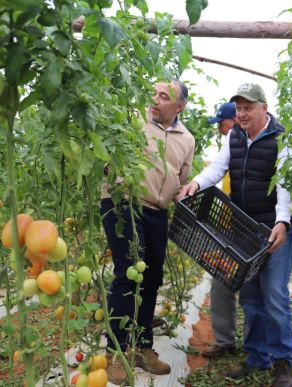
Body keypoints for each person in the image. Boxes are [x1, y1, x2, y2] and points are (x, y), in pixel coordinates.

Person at [180, 83, 292, 387]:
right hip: (244, 230)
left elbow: (285, 186)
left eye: (248, 108)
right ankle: (257, 357)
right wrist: (196, 183)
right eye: (239, 108)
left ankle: (283, 363)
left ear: (263, 109)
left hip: (272, 229)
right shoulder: (235, 136)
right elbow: (218, 168)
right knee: (251, 297)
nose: (242, 114)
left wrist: (282, 222)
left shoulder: (282, 139)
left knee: (274, 296)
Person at [100, 80, 195, 385]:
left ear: (178, 107)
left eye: (163, 97)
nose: (155, 100)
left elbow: (182, 179)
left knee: (152, 278)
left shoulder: (186, 139)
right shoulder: (132, 119)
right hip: (123, 204)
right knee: (128, 274)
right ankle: (115, 351)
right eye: (153, 93)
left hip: (157, 211)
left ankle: (143, 348)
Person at [201, 101, 239, 358]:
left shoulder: (249, 142)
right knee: (221, 281)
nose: (220, 130)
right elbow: (216, 173)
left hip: (248, 224)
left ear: (233, 121)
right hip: (228, 225)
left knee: (251, 288)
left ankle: (258, 347)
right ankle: (225, 341)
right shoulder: (228, 146)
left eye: (222, 124)